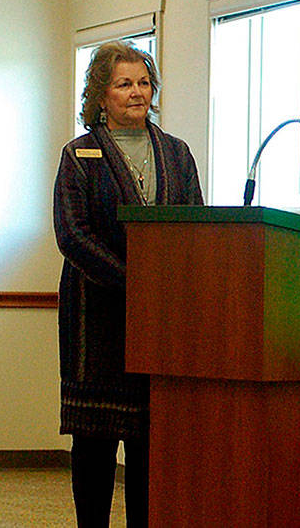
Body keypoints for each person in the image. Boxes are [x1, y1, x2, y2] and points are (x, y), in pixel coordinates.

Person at [53, 40, 204, 527]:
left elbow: (196, 226)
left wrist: (167, 288)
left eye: (143, 82)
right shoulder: (80, 156)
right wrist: (135, 281)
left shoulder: (177, 153)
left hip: (160, 325)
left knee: (149, 446)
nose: (136, 93)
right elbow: (72, 235)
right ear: (101, 94)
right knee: (95, 446)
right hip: (96, 323)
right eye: (124, 84)